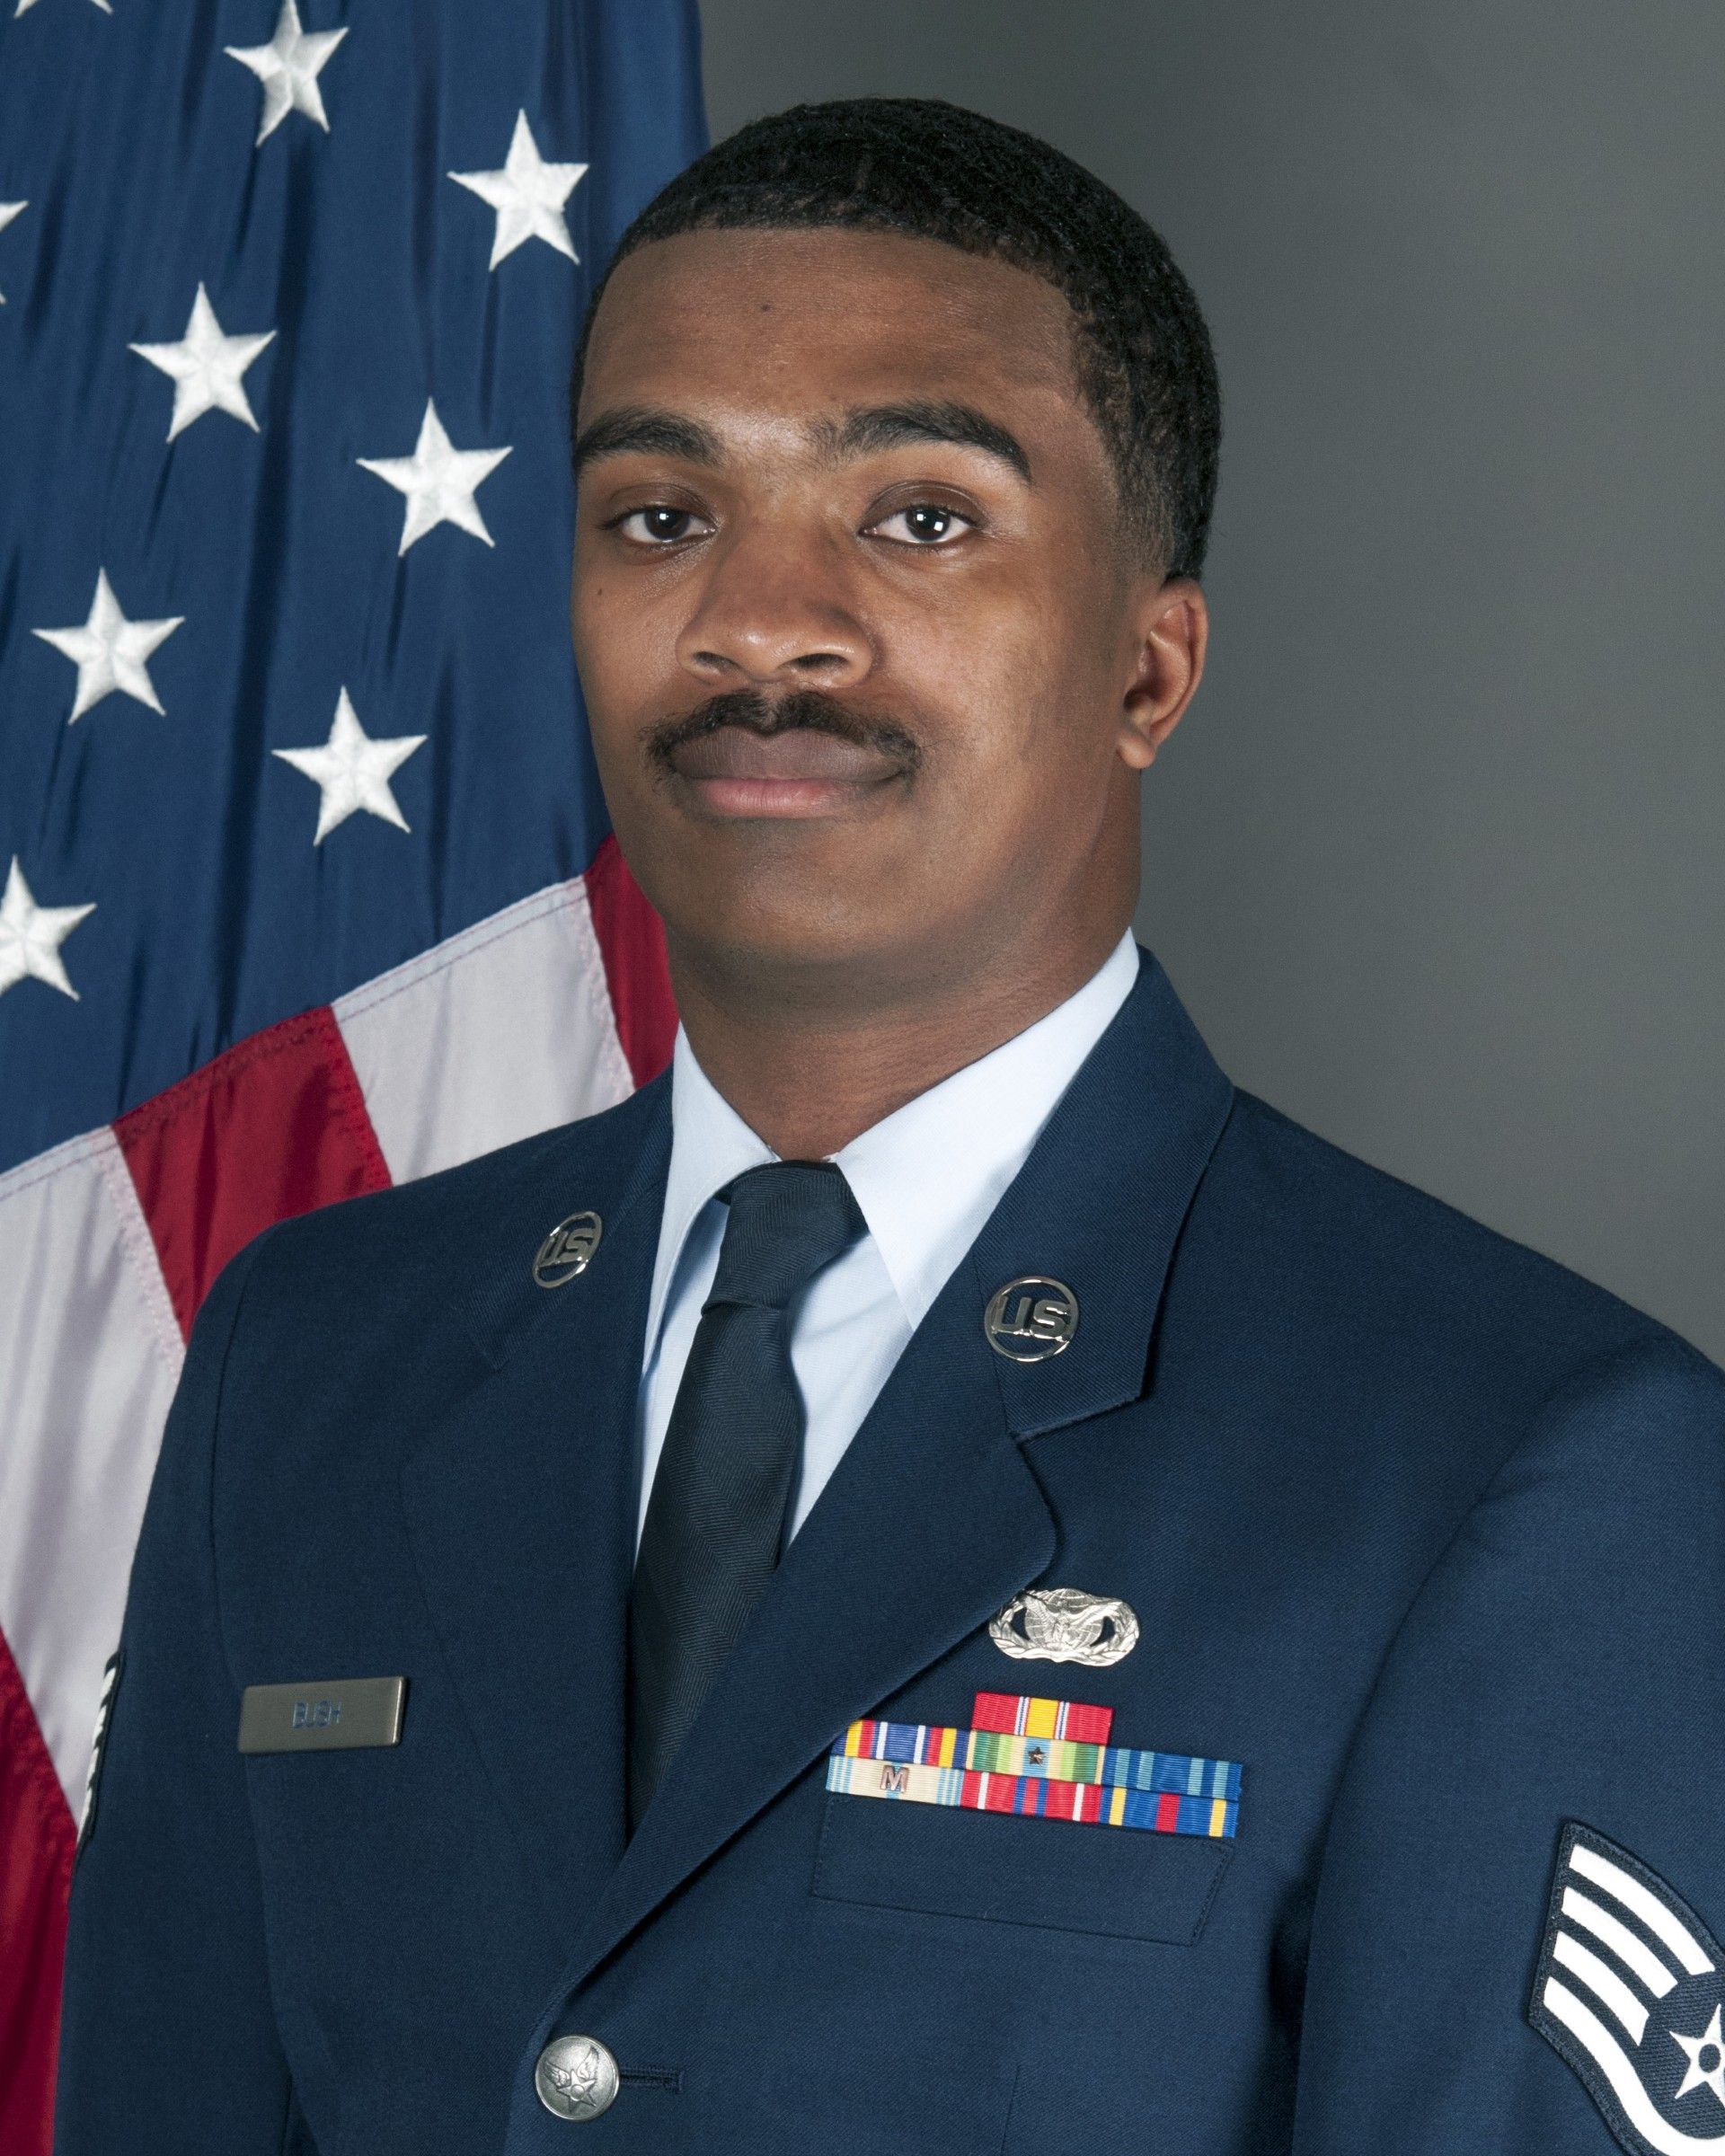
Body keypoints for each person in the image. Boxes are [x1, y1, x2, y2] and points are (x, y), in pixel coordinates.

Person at [56, 97, 1723, 2156]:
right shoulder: (315, 1349)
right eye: (661, 515)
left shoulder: (1513, 1458)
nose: (762, 624)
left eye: (919, 517)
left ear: (1149, 662)